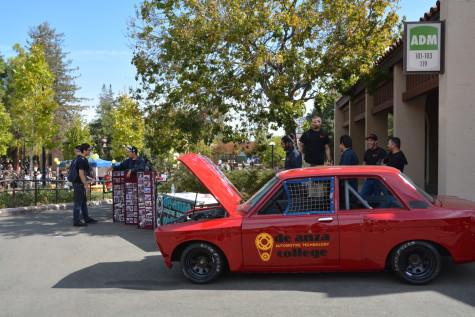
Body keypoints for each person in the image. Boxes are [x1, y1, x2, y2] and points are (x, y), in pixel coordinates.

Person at [72, 143, 97, 226]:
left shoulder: (78, 159)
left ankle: (86, 218)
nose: (90, 151)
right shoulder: (81, 160)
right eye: (89, 150)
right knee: (78, 203)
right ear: (85, 150)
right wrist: (85, 183)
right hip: (79, 183)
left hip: (78, 183)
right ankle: (76, 221)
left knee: (83, 202)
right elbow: (81, 173)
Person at [361, 133, 387, 199]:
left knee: (378, 199)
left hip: (378, 180)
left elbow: (385, 166)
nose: (369, 142)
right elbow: (364, 164)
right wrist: (364, 178)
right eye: (368, 140)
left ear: (376, 142)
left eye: (371, 140)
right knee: (362, 197)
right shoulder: (367, 152)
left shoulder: (382, 152)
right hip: (368, 180)